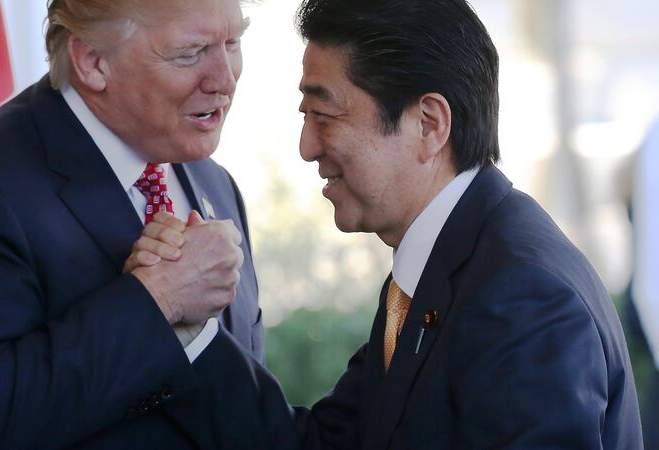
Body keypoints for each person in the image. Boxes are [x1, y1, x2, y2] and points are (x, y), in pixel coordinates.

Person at [136, 0, 644, 447]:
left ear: (429, 124)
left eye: (325, 115)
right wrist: (188, 329)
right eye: (303, 115)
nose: (306, 146)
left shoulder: (522, 296)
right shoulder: (443, 261)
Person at [0, 0, 268, 448]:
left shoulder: (214, 182)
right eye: (191, 52)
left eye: (232, 42)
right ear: (92, 62)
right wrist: (156, 301)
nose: (225, 79)